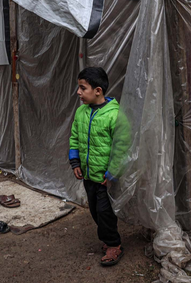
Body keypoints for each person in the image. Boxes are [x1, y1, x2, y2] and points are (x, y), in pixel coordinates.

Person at [69, 67, 124, 266]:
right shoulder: (81, 112)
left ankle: (113, 244)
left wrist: (112, 173)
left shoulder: (114, 115)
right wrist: (75, 161)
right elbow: (75, 137)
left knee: (104, 211)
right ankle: (108, 237)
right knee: (93, 209)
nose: (78, 92)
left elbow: (121, 148)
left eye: (83, 88)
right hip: (88, 175)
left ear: (98, 91)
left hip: (105, 178)